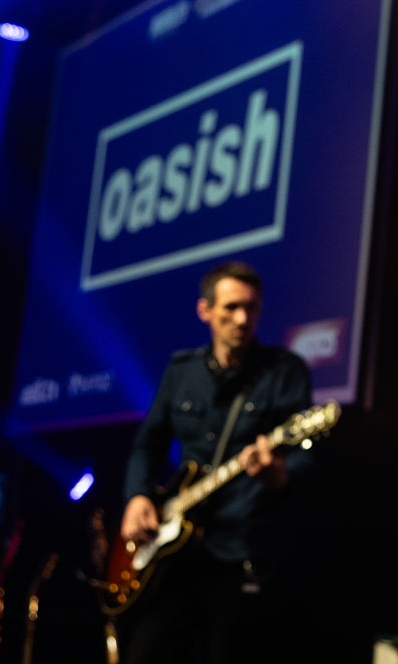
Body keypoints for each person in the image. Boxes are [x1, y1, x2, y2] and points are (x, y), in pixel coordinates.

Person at [118, 260, 312, 664]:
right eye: (231, 307)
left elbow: (307, 460)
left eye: (251, 308)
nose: (242, 319)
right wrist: (137, 496)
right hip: (174, 554)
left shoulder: (284, 372)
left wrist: (279, 475)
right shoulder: (181, 371)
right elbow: (147, 443)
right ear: (205, 310)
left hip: (240, 550)